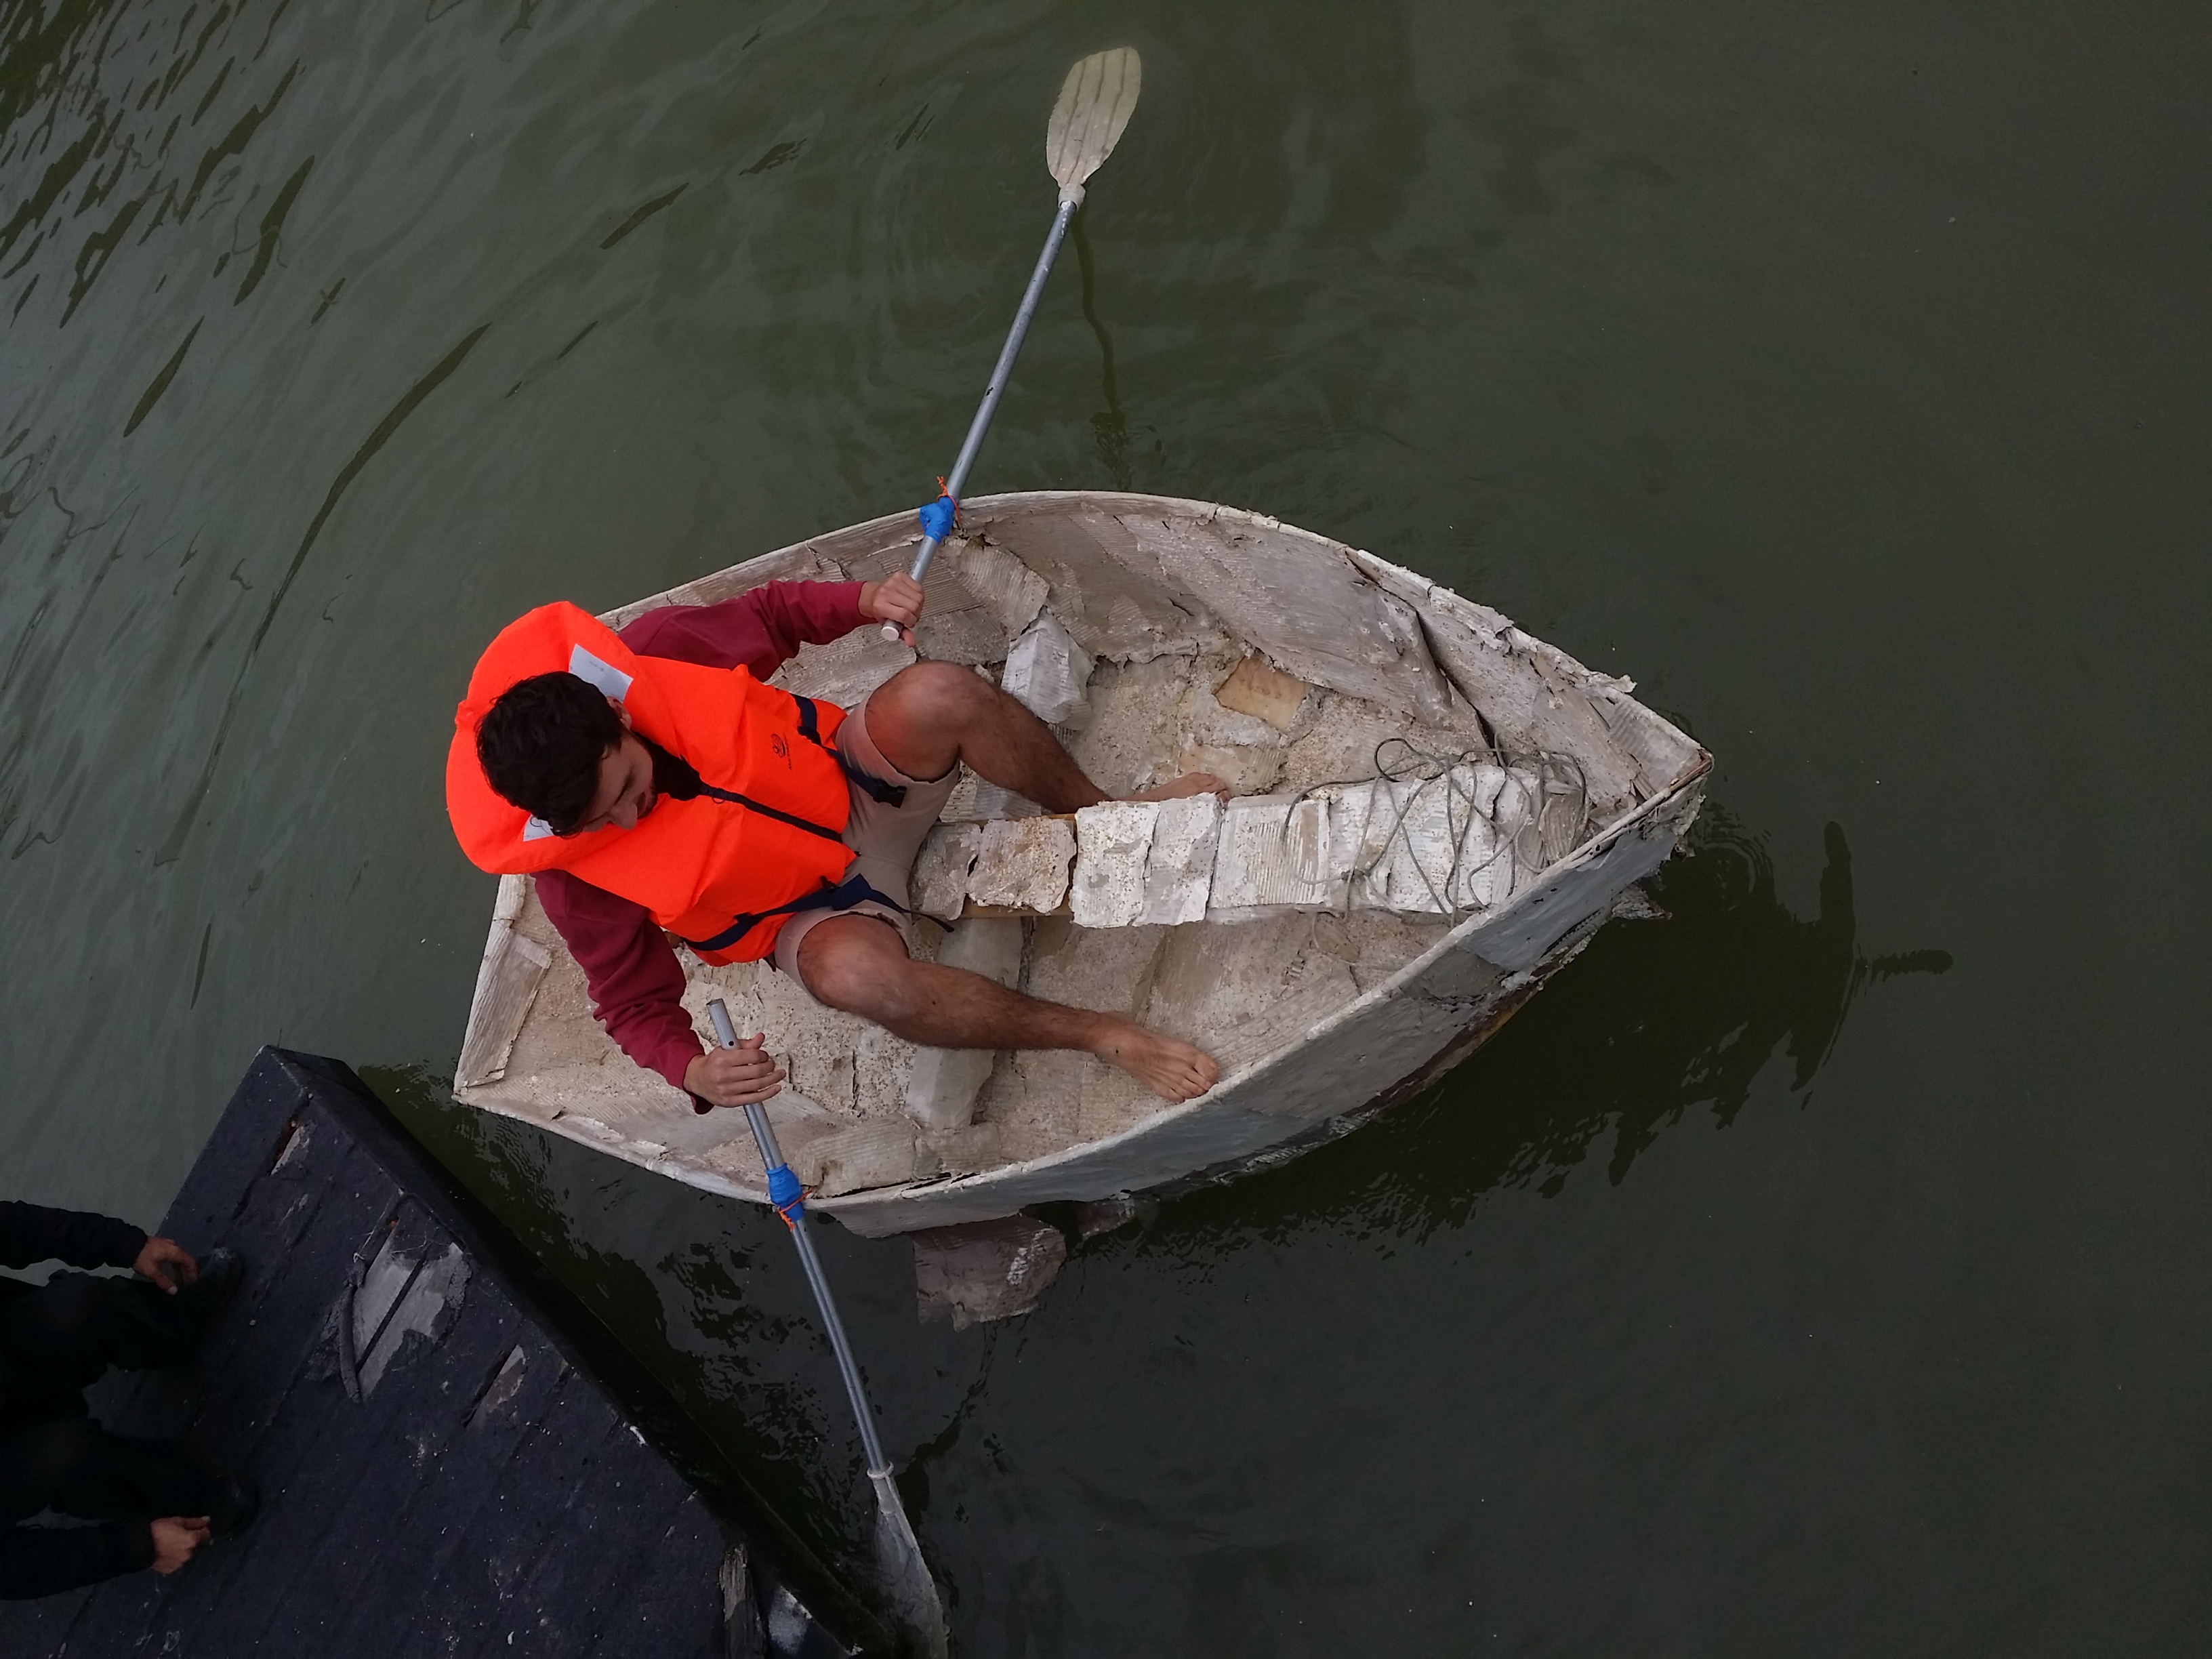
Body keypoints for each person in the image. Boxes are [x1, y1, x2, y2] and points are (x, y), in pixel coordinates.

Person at [447, 572, 1225, 1111]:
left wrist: (861, 600)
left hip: (858, 784)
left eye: (623, 789)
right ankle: (1103, 1036)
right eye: (596, 823)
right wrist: (695, 1070)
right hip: (812, 912)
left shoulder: (658, 652)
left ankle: (1107, 812)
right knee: (860, 981)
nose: (623, 821)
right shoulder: (569, 874)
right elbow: (632, 1005)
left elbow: (775, 615)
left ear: (617, 719)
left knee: (938, 691)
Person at [1, 1200, 255, 1600]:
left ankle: (176, 1320)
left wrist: (124, 1245)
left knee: (80, 1308)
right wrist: (137, 1547)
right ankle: (189, 1501)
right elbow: (10, 1568)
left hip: (16, 1347)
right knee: (66, 1460)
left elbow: (14, 1227)